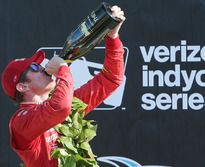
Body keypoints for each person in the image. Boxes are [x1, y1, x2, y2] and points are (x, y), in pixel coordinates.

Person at [1, 5, 125, 167]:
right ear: (22, 87)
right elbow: (59, 108)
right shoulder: (20, 122)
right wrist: (63, 68)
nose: (43, 67)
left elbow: (111, 80)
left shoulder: (68, 105)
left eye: (39, 64)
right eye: (34, 67)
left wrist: (112, 37)